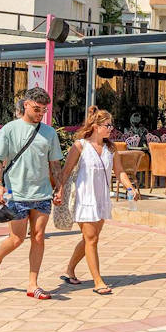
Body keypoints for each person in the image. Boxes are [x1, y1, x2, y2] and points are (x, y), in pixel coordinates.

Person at [0, 87, 65, 300]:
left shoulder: (49, 133)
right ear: (26, 104)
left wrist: (59, 187)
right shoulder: (10, 129)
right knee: (17, 238)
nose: (40, 114)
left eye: (43, 111)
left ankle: (33, 284)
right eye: (37, 109)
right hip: (16, 192)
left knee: (38, 237)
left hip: (41, 193)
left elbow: (55, 163)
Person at [57, 106, 136, 295]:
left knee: (90, 239)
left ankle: (69, 270)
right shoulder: (79, 146)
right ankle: (98, 281)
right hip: (84, 198)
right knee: (91, 239)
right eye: (107, 125)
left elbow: (119, 171)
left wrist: (129, 187)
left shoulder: (110, 148)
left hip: (101, 198)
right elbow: (66, 171)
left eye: (111, 125)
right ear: (95, 126)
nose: (111, 129)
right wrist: (59, 190)